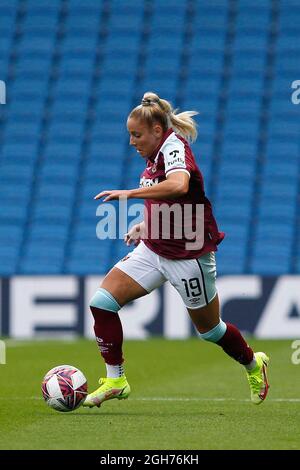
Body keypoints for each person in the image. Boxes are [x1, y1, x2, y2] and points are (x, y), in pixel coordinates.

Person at [83, 92, 269, 408]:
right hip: (154, 249)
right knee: (102, 303)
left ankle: (253, 363)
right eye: (130, 134)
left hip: (189, 255)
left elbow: (179, 185)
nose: (131, 142)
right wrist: (145, 225)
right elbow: (166, 199)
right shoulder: (153, 154)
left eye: (136, 134)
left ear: (157, 130)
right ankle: (116, 379)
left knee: (210, 331)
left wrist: (130, 193)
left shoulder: (174, 147)